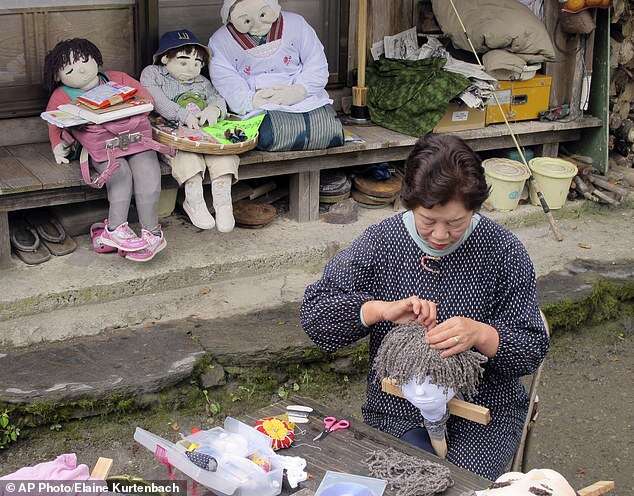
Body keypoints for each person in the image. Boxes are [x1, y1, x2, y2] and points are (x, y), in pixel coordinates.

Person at [300, 134, 549, 479]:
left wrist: (481, 334)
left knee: (457, 484)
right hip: (397, 406)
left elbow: (532, 346)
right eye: (428, 221)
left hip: (484, 411)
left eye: (456, 222)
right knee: (403, 478)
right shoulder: (382, 242)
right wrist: (378, 310)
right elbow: (316, 315)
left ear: (475, 209)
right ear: (410, 204)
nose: (441, 235)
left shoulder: (502, 250)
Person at [44, 38, 166, 262]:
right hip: (101, 148)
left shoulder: (117, 78)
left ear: (96, 58)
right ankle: (116, 228)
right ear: (57, 76)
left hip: (135, 139)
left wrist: (122, 108)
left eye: (84, 61)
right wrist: (57, 146)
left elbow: (146, 98)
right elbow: (54, 123)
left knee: (148, 171)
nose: (79, 70)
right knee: (119, 173)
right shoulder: (62, 95)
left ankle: (152, 232)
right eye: (69, 68)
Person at [208, 0, 344, 152]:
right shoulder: (221, 40)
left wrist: (300, 90)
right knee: (269, 133)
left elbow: (315, 62)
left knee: (325, 128)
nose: (257, 24)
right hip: (258, 104)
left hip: (303, 97)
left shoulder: (296, 24)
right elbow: (226, 79)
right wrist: (251, 101)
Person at [141, 29, 239, 232]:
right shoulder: (153, 73)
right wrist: (182, 115)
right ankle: (194, 201)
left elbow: (216, 97)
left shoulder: (201, 82)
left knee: (223, 155)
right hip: (173, 135)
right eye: (183, 62)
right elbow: (156, 99)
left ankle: (223, 203)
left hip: (204, 135)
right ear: (166, 58)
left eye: (197, 63)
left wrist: (215, 109)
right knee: (187, 158)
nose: (191, 69)